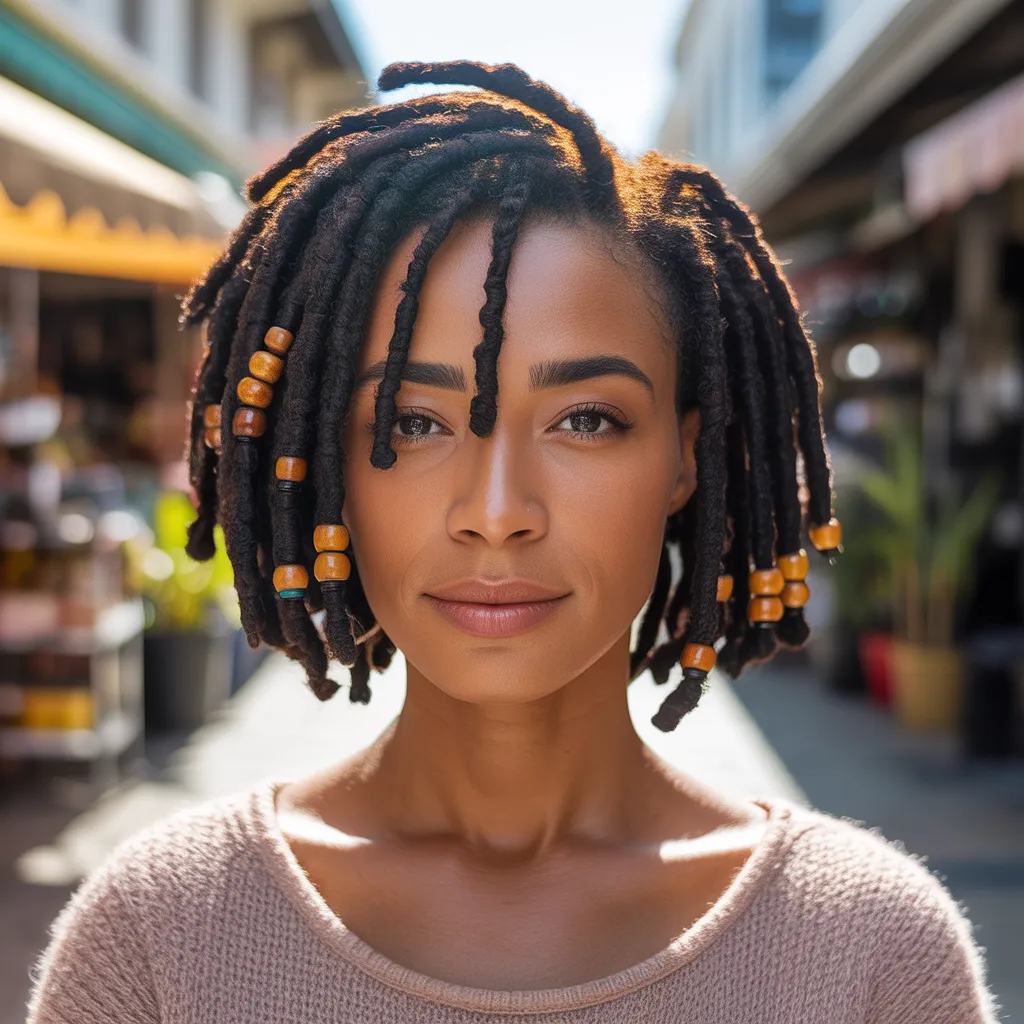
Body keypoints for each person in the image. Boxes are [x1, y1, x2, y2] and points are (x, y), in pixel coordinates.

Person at [26, 61, 999, 1023]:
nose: (496, 510)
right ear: (328, 457)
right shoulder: (158, 936)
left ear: (683, 458)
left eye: (584, 419)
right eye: (412, 421)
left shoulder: (873, 952)